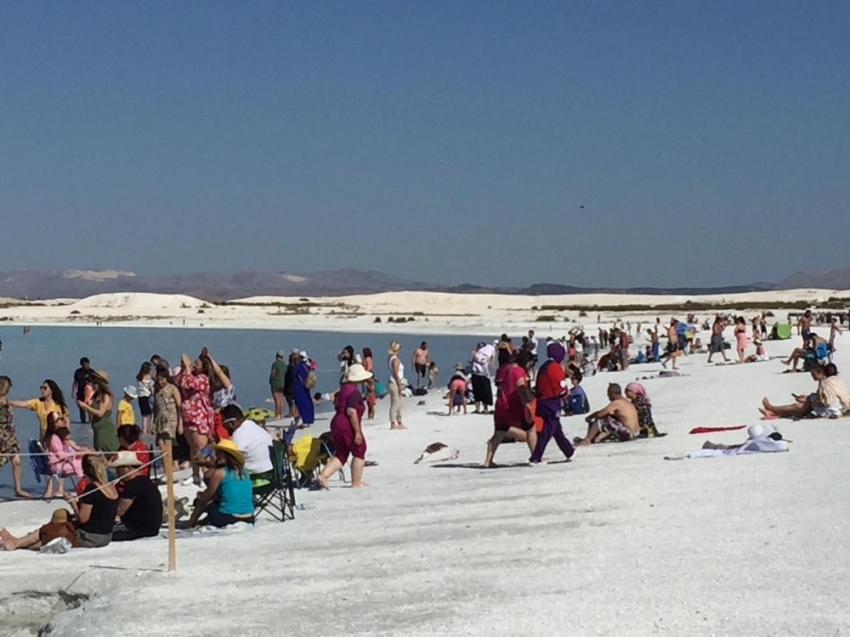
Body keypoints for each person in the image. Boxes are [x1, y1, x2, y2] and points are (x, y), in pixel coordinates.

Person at [317, 363, 372, 489]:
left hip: (336, 422)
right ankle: (356, 482)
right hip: (346, 423)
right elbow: (351, 412)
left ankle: (323, 475)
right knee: (360, 449)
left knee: (341, 453)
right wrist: (357, 432)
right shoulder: (354, 392)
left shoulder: (343, 389)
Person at [483, 350, 538, 467]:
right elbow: (521, 388)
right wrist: (527, 404)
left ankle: (488, 460)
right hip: (514, 405)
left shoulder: (508, 368)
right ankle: (535, 456)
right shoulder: (519, 371)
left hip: (501, 403)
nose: (530, 366)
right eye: (530, 363)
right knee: (531, 428)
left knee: (499, 433)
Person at [185, 440, 254, 528]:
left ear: (227, 455)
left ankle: (190, 523)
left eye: (219, 453)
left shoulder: (220, 473)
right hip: (249, 517)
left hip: (229, 518)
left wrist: (199, 495)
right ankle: (205, 520)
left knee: (203, 500)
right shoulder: (244, 472)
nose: (216, 455)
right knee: (218, 498)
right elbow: (208, 475)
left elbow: (207, 494)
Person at [529, 342, 575, 465]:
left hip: (543, 401)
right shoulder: (554, 367)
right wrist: (565, 392)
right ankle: (536, 457)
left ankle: (569, 451)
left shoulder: (544, 367)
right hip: (551, 402)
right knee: (548, 431)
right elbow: (560, 385)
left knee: (556, 429)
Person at [66, 455, 120, 548]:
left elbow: (83, 519)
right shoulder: (111, 487)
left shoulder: (92, 489)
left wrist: (72, 503)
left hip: (90, 536)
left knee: (57, 521)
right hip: (107, 535)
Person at [760, 364, 849, 419]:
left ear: (822, 372)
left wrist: (808, 400)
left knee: (797, 406)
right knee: (803, 403)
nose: (812, 377)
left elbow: (823, 400)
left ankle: (771, 408)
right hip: (841, 408)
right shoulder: (837, 381)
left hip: (829, 409)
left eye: (814, 375)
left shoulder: (824, 383)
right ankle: (773, 411)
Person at [180, 353, 216, 486]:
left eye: (197, 363)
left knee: (202, 447)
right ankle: (195, 474)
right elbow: (182, 383)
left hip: (199, 417)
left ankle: (209, 471)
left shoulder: (203, 379)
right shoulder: (193, 375)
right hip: (189, 416)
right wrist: (185, 368)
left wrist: (188, 367)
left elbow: (190, 384)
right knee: (193, 447)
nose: (195, 364)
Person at [111, 451, 163, 542]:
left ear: (126, 468)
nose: (117, 473)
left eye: (118, 469)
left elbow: (120, 510)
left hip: (138, 529)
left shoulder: (133, 485)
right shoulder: (145, 482)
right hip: (150, 527)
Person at [221, 404, 273, 476]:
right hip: (271, 468)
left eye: (224, 425)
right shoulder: (254, 426)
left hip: (256, 474)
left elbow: (235, 460)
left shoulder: (238, 434)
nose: (224, 428)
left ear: (231, 423)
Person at [0, 376, 30, 498]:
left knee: (17, 462)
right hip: (1, 436)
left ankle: (18, 488)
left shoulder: (7, 401)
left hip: (10, 435)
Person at [43, 413, 86, 498]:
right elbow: (61, 455)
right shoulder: (54, 438)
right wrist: (76, 454)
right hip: (58, 465)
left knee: (82, 458)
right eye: (59, 419)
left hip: (59, 463)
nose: (62, 420)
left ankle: (84, 486)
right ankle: (84, 487)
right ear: (54, 423)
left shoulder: (56, 436)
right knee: (85, 463)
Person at [77, 370, 119, 453]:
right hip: (97, 430)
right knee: (99, 454)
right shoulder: (97, 396)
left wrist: (85, 406)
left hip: (105, 430)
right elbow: (93, 411)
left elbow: (100, 413)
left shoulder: (105, 396)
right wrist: (83, 406)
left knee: (109, 452)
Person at [0, 508, 80, 551]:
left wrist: (73, 504)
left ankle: (16, 543)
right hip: (81, 531)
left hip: (83, 534)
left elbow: (83, 518)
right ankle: (17, 542)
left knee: (58, 518)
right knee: (61, 517)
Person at [153, 367, 183, 471]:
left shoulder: (172, 389)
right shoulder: (157, 389)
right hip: (160, 420)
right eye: (159, 379)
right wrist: (153, 423)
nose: (160, 382)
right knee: (161, 445)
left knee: (168, 443)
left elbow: (180, 406)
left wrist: (180, 423)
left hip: (171, 419)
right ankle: (167, 468)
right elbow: (155, 408)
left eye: (162, 379)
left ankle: (170, 469)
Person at [470, 342, 495, 414]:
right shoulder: (486, 355)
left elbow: (470, 361)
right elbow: (491, 361)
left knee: (477, 392)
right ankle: (485, 409)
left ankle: (478, 409)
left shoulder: (475, 354)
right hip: (483, 375)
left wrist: (473, 354)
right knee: (485, 392)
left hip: (477, 374)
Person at [292, 351, 316, 427]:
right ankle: (309, 419)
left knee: (301, 404)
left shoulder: (298, 367)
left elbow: (293, 375)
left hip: (299, 387)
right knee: (308, 402)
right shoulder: (308, 367)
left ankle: (305, 420)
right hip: (306, 387)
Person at [387, 341, 406, 430]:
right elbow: (395, 373)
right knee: (395, 403)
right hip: (394, 383)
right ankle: (393, 422)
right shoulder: (394, 359)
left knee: (398, 403)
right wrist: (399, 384)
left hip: (395, 382)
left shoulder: (391, 358)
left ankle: (399, 421)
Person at [71, 357, 92, 424]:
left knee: (90, 408)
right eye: (85, 364)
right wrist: (73, 391)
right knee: (81, 408)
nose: (87, 365)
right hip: (80, 393)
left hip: (89, 394)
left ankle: (90, 422)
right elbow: (75, 382)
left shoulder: (91, 372)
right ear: (82, 364)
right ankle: (83, 423)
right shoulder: (78, 372)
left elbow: (96, 383)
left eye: (88, 364)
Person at [135, 362, 154, 434]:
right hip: (147, 396)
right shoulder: (149, 377)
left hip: (140, 397)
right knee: (152, 414)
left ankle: (144, 430)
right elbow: (151, 388)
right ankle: (151, 428)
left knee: (144, 415)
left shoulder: (139, 377)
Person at [269, 351, 287, 420]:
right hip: (283, 383)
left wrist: (270, 380)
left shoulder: (275, 364)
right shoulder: (284, 365)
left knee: (277, 399)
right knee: (281, 399)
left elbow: (273, 373)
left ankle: (277, 414)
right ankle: (281, 414)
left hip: (276, 383)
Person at [362, 347, 377, 420]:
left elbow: (369, 367)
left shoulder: (367, 359)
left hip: (367, 375)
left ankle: (371, 415)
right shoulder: (368, 359)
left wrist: (365, 373)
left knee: (370, 396)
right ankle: (370, 415)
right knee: (368, 397)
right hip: (367, 375)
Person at [283, 351, 299, 419]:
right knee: (296, 400)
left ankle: (291, 413)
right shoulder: (298, 367)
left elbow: (286, 379)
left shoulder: (289, 368)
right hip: (295, 386)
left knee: (290, 401)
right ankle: (295, 412)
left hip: (290, 386)